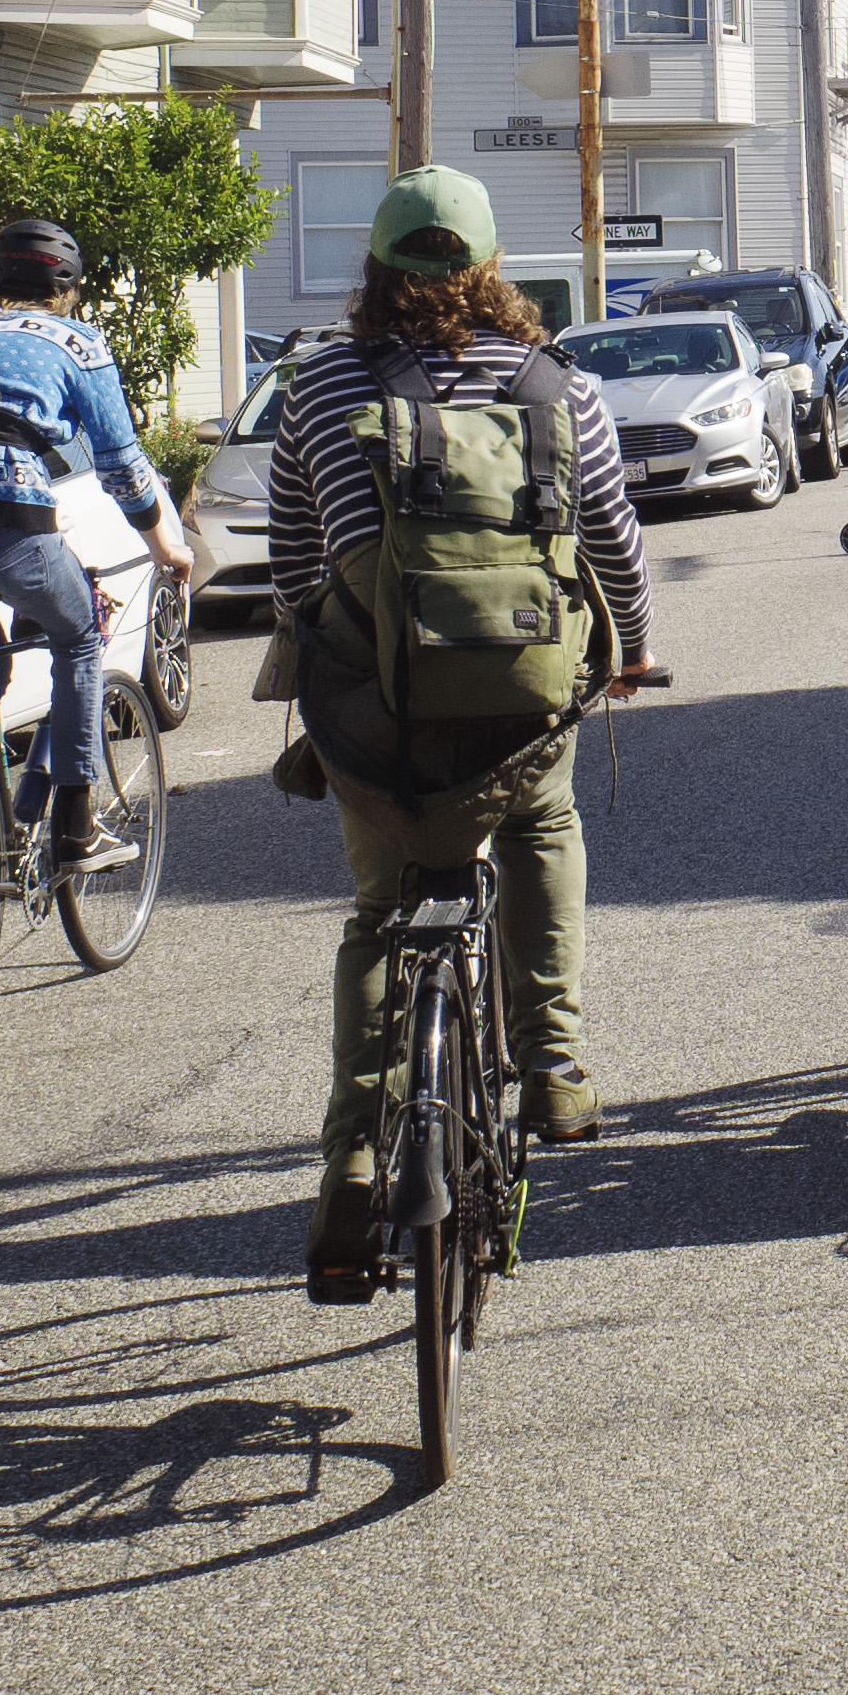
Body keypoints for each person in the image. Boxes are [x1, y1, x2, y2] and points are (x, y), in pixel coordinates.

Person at [256, 166, 656, 1305]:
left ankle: (352, 1158)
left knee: (381, 914)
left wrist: (335, 644)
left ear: (377, 268)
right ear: (490, 268)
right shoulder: (557, 386)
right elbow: (613, 545)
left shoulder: (318, 385)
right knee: (542, 815)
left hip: (378, 720)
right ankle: (556, 1062)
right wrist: (625, 645)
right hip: (517, 702)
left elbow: (292, 563)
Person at [0, 218, 196, 876]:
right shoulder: (75, 342)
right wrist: (167, 544)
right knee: (77, 637)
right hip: (7, 520)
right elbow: (120, 461)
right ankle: (77, 826)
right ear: (67, 288)